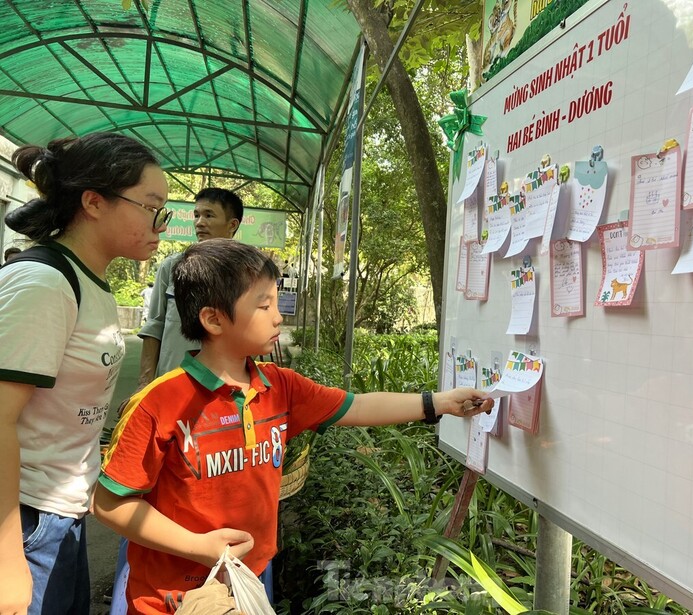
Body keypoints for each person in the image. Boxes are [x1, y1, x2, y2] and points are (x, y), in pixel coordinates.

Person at [94, 239, 492, 614]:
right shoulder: (159, 404)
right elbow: (109, 503)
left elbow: (356, 407)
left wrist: (438, 403)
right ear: (213, 319)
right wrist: (200, 547)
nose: (278, 315)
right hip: (173, 597)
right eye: (263, 305)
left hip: (251, 574)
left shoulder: (280, 386)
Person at [0, 131, 170, 614]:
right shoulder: (44, 283)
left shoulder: (87, 281)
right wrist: (7, 556)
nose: (162, 221)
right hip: (26, 523)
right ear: (94, 202)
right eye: (151, 205)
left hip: (60, 514)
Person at [138, 188, 243, 387]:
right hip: (170, 385)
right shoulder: (171, 267)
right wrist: (144, 384)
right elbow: (154, 327)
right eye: (196, 215)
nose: (199, 222)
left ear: (232, 225)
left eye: (209, 215)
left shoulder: (246, 276)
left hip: (222, 389)